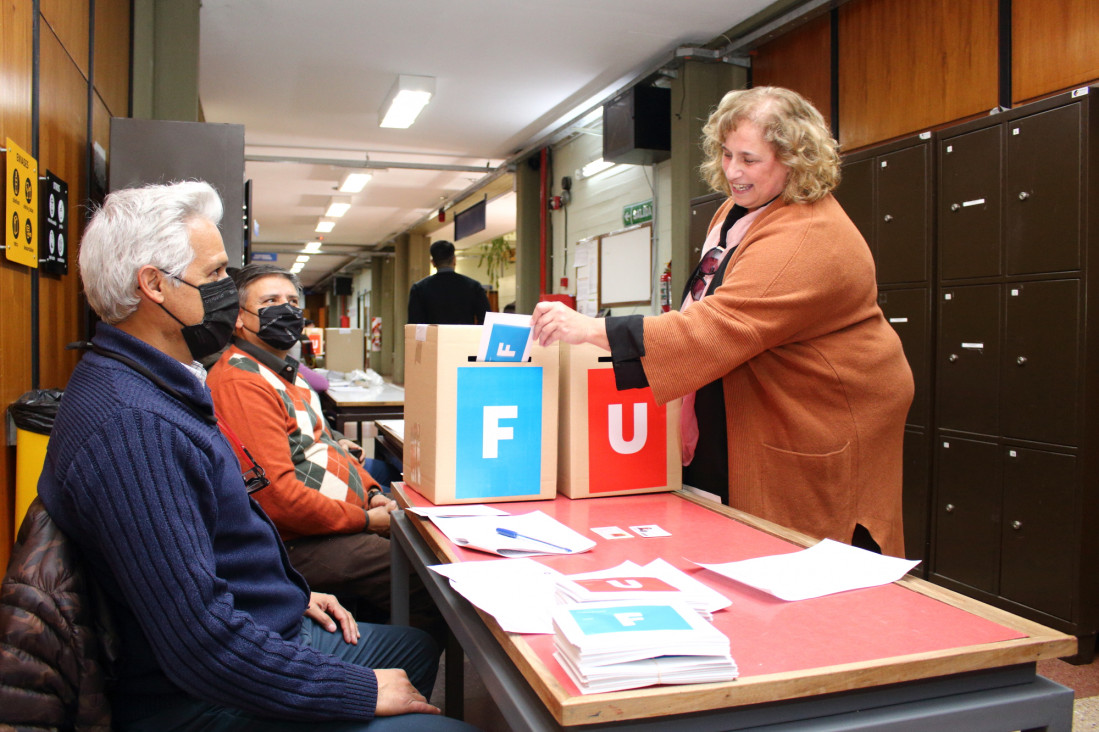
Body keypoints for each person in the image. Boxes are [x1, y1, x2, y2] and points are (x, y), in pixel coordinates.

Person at [37, 181, 474, 731]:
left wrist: (290, 593)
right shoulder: (134, 426)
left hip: (258, 626)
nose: (228, 289)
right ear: (154, 285)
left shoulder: (148, 384)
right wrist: (356, 690)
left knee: (409, 647)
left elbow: (214, 540)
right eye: (216, 274)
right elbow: (201, 645)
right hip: (194, 699)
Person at [531, 87, 913, 558]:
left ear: (796, 159)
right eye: (727, 153)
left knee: (808, 552)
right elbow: (705, 302)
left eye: (750, 159)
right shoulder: (740, 211)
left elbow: (721, 325)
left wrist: (593, 330)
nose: (733, 171)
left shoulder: (808, 235)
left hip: (816, 414)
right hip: (757, 395)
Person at [207, 263, 440, 639]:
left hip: (330, 524)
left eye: (293, 302)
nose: (287, 310)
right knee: (421, 574)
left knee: (420, 546)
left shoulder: (282, 372)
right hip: (295, 541)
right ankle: (400, 675)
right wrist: (364, 520)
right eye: (270, 301)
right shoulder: (241, 382)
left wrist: (372, 493)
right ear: (238, 318)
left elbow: (330, 447)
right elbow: (277, 500)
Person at [407, 240, 490, 324]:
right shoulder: (473, 287)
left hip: (434, 337)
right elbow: (486, 320)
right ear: (454, 260)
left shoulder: (419, 289)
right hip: (464, 336)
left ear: (433, 263)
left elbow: (414, 324)